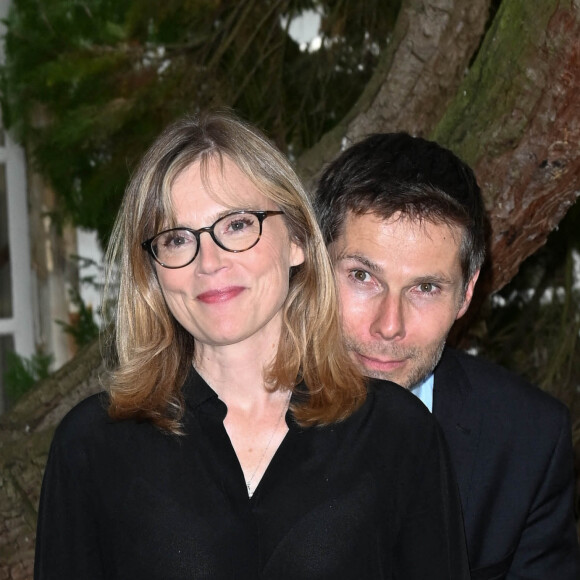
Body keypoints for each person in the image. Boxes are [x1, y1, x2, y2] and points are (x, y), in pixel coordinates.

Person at [33, 113, 470, 579]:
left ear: (298, 241)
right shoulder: (92, 448)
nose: (210, 262)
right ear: (154, 274)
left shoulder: (399, 435)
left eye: (238, 225)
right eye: (178, 239)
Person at [315, 132, 580, 580]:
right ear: (315, 269)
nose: (389, 324)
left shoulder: (527, 442)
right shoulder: (229, 414)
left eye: (425, 288)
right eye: (363, 276)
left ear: (466, 294)